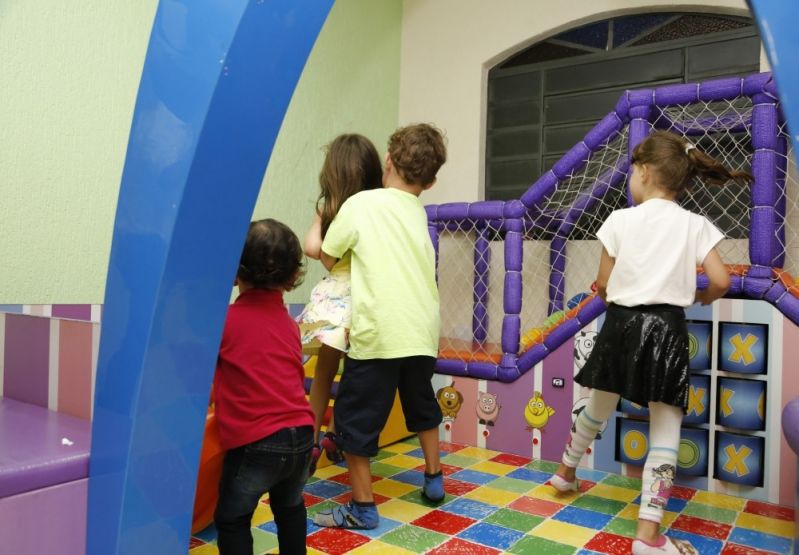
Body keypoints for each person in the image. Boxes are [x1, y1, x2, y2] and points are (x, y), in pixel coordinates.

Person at [551, 131, 751, 555]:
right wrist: (696, 297)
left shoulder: (620, 221)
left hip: (620, 325)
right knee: (665, 428)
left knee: (598, 403)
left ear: (643, 171)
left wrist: (612, 294)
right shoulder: (695, 224)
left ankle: (565, 471)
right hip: (665, 328)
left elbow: (603, 284)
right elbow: (721, 281)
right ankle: (647, 534)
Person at [312, 123, 448, 529]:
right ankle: (434, 477)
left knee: (355, 419)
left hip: (380, 333)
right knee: (421, 403)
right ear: (431, 181)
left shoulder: (362, 204)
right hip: (422, 332)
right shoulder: (418, 212)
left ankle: (363, 507)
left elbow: (329, 255)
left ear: (388, 160)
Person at [213, 219, 315, 555]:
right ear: (290, 278)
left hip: (256, 443)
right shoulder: (289, 325)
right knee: (289, 509)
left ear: (234, 271)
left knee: (232, 517)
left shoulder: (224, 322)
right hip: (301, 436)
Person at [298, 134, 383, 472]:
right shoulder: (375, 210)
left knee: (323, 373)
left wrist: (321, 217)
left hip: (335, 302)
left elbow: (312, 249)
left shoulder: (333, 211)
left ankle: (312, 441)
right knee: (356, 373)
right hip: (365, 300)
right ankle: (335, 434)